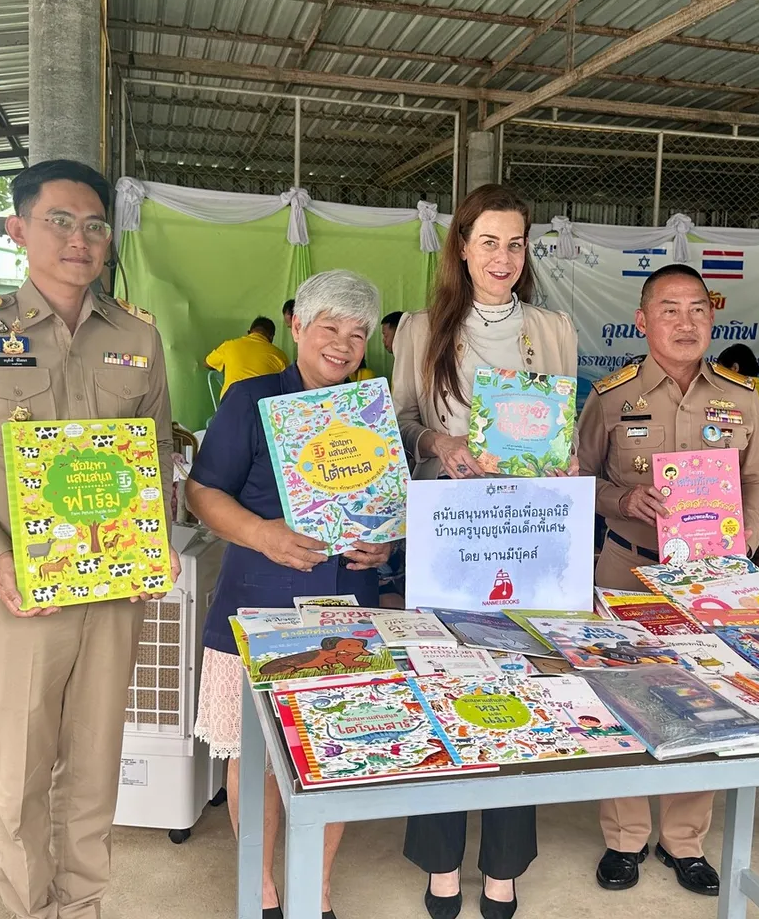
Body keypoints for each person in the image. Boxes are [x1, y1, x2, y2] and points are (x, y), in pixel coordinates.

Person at [0, 159, 178, 919]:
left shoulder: (137, 336)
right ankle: (30, 910)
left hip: (115, 587)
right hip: (19, 589)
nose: (80, 239)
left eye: (95, 225)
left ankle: (83, 905)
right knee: (23, 771)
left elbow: (154, 454)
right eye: (60, 220)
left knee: (96, 767)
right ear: (19, 229)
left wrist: (148, 546)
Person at [392, 183, 577, 919]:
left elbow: (563, 421)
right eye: (489, 241)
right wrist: (441, 442)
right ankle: (440, 864)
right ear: (462, 246)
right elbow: (401, 423)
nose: (503, 257)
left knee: (519, 691)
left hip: (529, 533)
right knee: (441, 688)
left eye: (516, 242)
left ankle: (503, 867)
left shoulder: (554, 328)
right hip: (447, 532)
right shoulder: (417, 329)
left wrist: (559, 460)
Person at [186, 270, 392, 919]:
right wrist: (261, 534)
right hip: (257, 603)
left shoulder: (369, 409)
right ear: (297, 328)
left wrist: (384, 545)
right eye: (329, 326)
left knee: (337, 757)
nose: (343, 343)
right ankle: (262, 888)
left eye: (357, 333)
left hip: (345, 609)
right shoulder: (248, 399)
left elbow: (387, 512)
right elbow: (201, 492)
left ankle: (317, 888)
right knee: (257, 760)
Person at [577, 264, 759, 899]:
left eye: (697, 309)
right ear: (642, 321)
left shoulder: (743, 398)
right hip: (628, 566)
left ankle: (684, 839)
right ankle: (625, 836)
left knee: (710, 697)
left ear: (712, 318)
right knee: (626, 694)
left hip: (711, 575)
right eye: (669, 310)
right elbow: (576, 478)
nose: (685, 322)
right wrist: (620, 498)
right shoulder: (611, 395)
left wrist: (745, 539)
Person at [205, 316, 288, 397]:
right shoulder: (280, 355)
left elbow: (207, 363)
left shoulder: (229, 346)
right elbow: (287, 384)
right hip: (262, 407)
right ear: (271, 337)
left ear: (249, 333)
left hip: (230, 405)